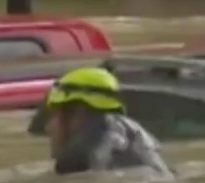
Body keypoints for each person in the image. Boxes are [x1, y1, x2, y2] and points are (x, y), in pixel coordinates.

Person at [44, 67, 174, 177]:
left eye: (53, 116)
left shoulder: (81, 163)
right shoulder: (136, 140)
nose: (48, 128)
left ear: (78, 114)